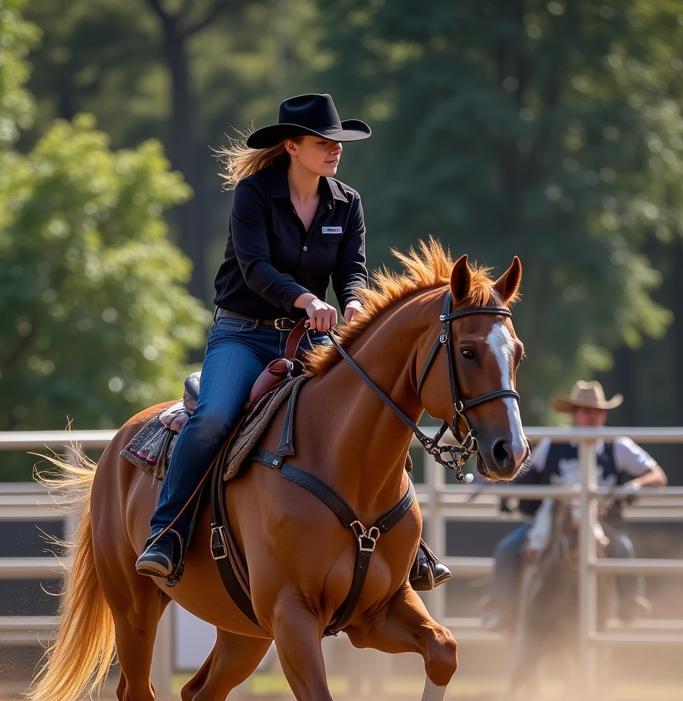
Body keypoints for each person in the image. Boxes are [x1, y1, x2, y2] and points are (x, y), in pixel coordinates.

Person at [136, 92, 449, 589]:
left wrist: (352, 303)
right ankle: (168, 531)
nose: (335, 149)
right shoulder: (253, 195)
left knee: (373, 413)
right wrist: (306, 300)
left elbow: (353, 269)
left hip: (313, 337)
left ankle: (408, 544)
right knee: (214, 417)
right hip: (243, 333)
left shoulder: (347, 203)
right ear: (292, 147)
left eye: (338, 142)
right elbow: (255, 267)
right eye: (323, 141)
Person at [483, 380, 667, 630]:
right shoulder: (551, 443)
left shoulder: (617, 445)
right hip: (552, 518)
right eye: (586, 411)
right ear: (574, 415)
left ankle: (629, 605)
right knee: (507, 549)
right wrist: (502, 488)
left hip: (601, 521)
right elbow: (522, 475)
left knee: (622, 547)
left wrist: (635, 486)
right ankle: (501, 610)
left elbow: (657, 475)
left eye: (598, 412)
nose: (593, 417)